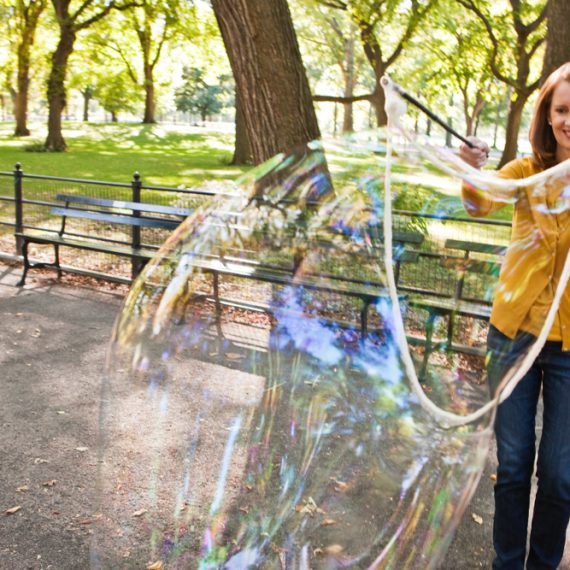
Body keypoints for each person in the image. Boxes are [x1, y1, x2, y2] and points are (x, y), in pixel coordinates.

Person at [459, 61, 570, 570]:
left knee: (561, 474)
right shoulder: (527, 172)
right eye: (562, 109)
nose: (569, 119)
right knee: (515, 464)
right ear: (547, 116)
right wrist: (470, 167)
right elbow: (480, 202)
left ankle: (542, 565)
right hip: (514, 337)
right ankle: (508, 563)